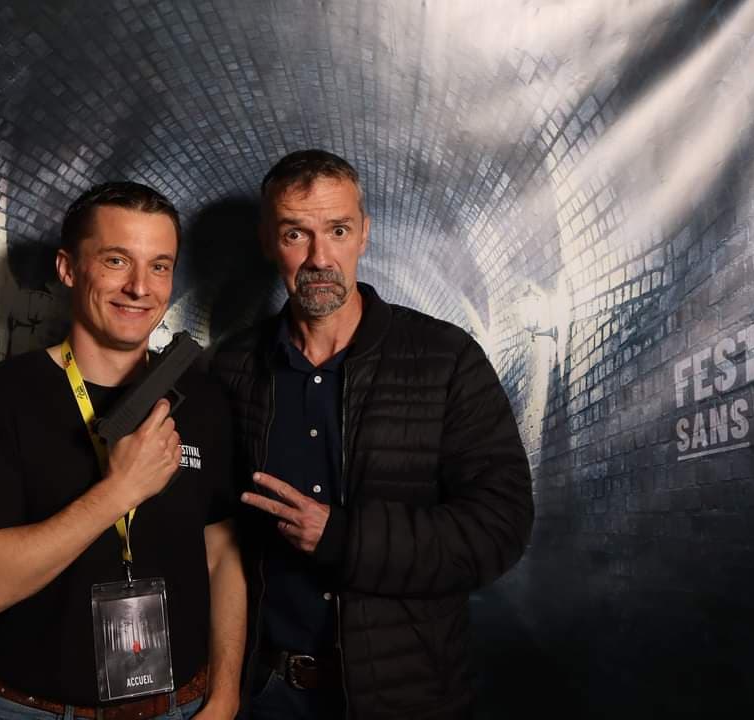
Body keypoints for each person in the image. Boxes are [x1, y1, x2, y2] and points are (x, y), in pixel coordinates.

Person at [211, 150, 534, 719]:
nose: (320, 257)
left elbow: (499, 527)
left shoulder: (445, 358)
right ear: (268, 242)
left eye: (338, 231)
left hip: (407, 698)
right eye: (296, 234)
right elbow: (216, 537)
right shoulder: (233, 367)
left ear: (364, 233)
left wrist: (342, 537)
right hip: (269, 699)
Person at [0, 181, 246, 720]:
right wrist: (120, 490)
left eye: (159, 266)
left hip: (182, 707)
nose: (139, 287)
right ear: (67, 268)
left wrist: (224, 696)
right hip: (41, 711)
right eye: (115, 260)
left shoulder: (204, 400)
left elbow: (221, 554)